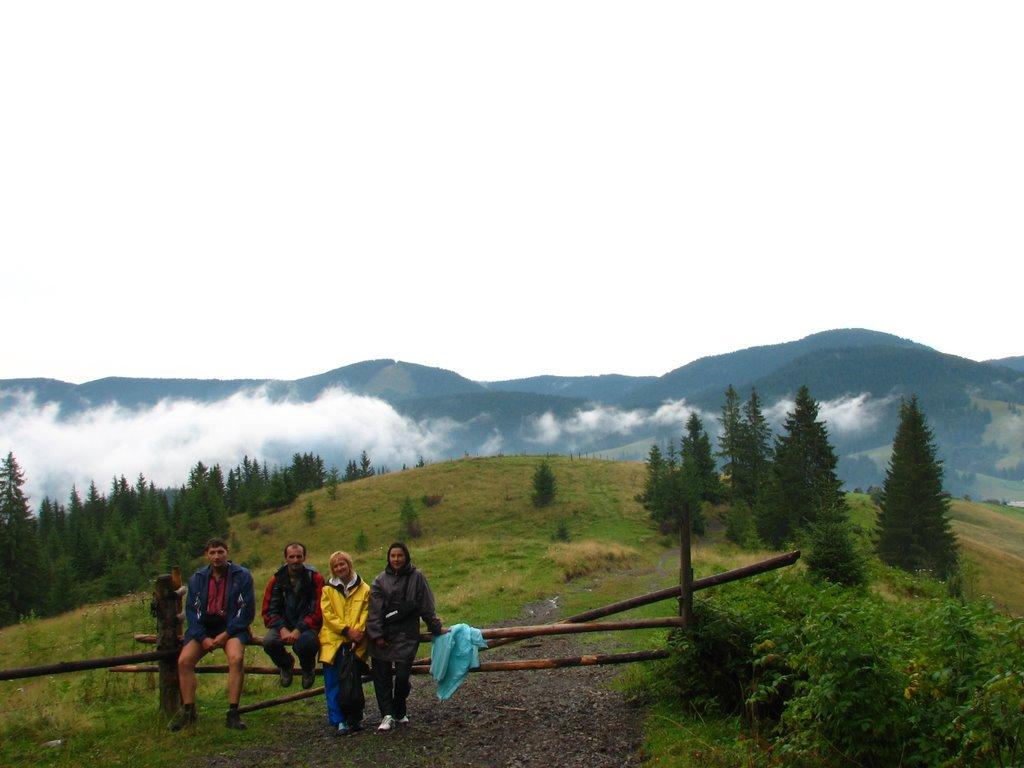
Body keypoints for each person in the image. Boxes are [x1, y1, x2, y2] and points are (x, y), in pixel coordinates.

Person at [169, 537, 255, 731]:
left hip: (232, 626)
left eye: (220, 552)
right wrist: (202, 637)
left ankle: (233, 712)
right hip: (204, 628)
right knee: (184, 661)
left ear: (227, 552)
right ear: (206, 555)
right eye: (212, 553)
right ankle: (189, 711)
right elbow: (192, 611)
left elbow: (246, 610)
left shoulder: (242, 575)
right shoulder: (198, 578)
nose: (217, 557)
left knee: (236, 658)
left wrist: (226, 634)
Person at [366, 542, 445, 732]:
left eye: (399, 555)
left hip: (407, 635)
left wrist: (435, 627)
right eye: (392, 556)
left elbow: (426, 605)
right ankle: (386, 714)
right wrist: (376, 635)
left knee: (402, 677)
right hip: (383, 635)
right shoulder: (380, 580)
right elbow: (374, 611)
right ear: (388, 557)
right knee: (382, 677)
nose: (396, 559)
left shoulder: (417, 578)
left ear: (406, 556)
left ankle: (399, 710)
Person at [319, 550, 371, 736]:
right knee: (333, 681)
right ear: (332, 569)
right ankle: (338, 720)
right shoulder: (327, 590)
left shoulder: (364, 588)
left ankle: (355, 718)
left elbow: (366, 612)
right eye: (336, 566)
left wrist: (358, 633)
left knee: (352, 681)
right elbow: (328, 615)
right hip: (332, 641)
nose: (340, 568)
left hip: (356, 643)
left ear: (349, 564)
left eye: (343, 564)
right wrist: (346, 630)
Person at [261, 542, 324, 689]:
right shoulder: (276, 580)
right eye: (291, 557)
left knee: (306, 644)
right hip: (283, 623)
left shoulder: (315, 578)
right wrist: (282, 628)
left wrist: (299, 629)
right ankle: (286, 664)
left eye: (298, 556)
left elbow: (318, 609)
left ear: (304, 557)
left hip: (308, 624)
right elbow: (269, 609)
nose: (295, 560)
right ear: (286, 558)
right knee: (269, 642)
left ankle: (308, 668)